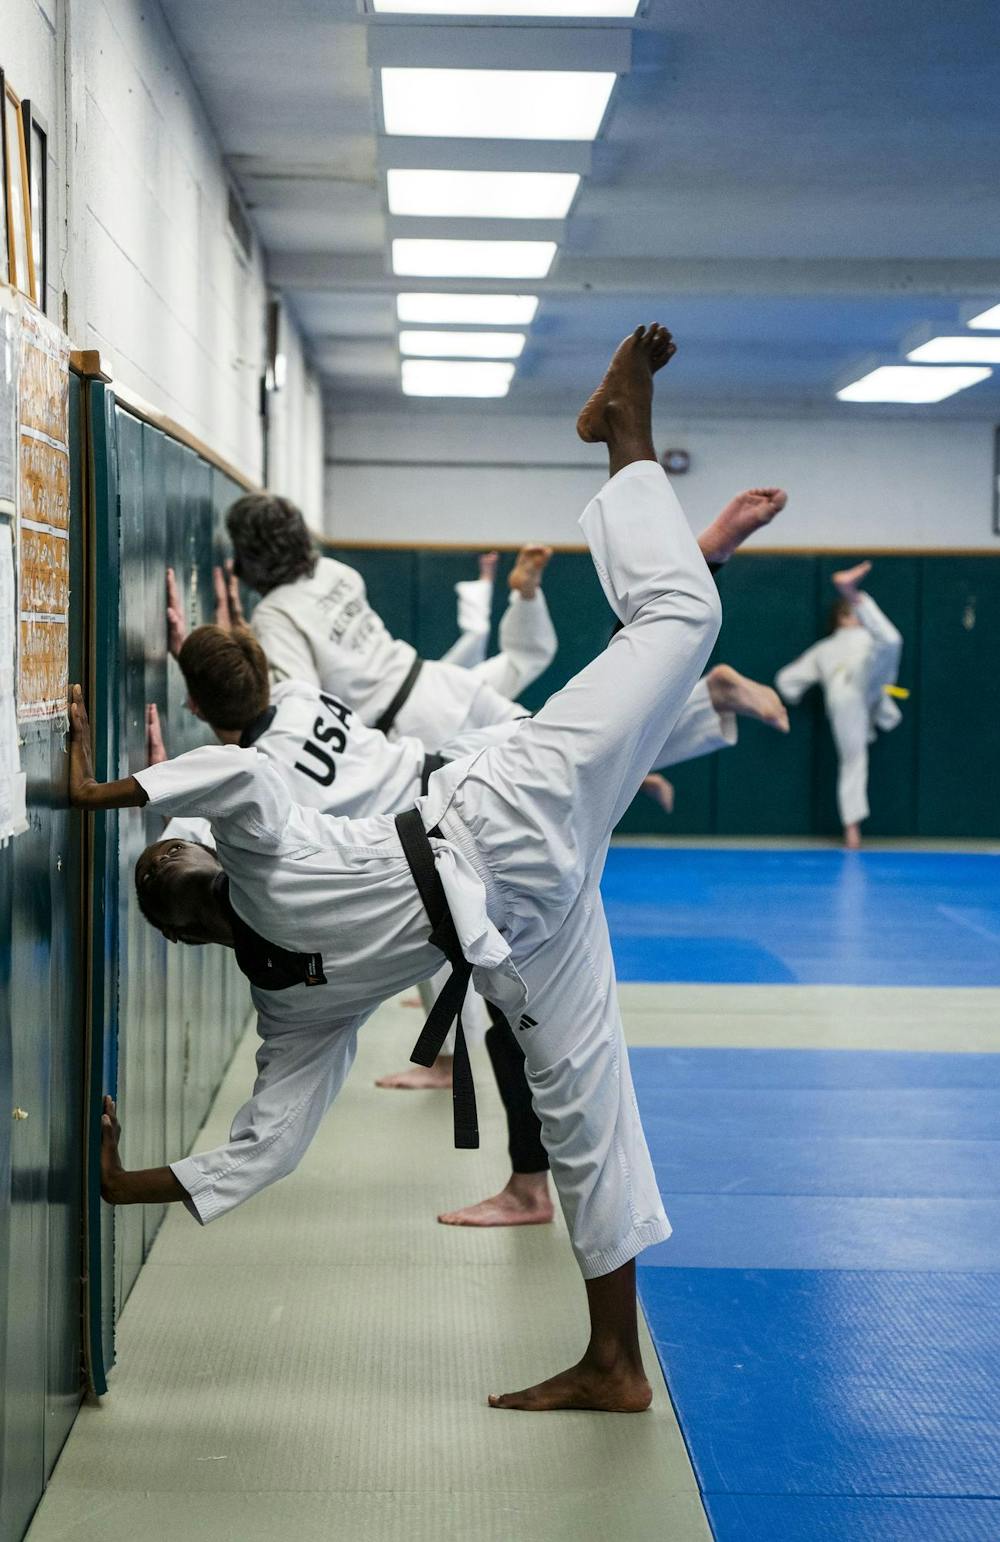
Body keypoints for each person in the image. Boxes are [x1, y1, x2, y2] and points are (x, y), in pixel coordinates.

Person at [70, 323, 726, 1413]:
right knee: (588, 1112)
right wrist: (117, 1182)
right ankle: (615, 1363)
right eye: (170, 865)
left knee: (683, 619)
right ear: (187, 913)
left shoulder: (277, 942)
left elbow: (237, 775)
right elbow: (265, 1145)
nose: (177, 856)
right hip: (515, 909)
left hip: (500, 835)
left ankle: (624, 439)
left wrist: (109, 792)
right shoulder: (280, 955)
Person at [225, 493, 557, 745]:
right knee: (540, 745)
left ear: (248, 557)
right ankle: (527, 595)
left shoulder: (274, 614)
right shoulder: (333, 570)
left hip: (413, 727)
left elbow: (300, 706)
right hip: (443, 682)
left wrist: (242, 657)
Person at [775, 560, 904, 849]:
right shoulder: (860, 638)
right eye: (851, 613)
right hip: (859, 684)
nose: (855, 620)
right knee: (891, 642)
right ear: (842, 619)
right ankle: (853, 594)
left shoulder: (824, 649)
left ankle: (851, 830)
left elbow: (786, 682)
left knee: (853, 758)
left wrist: (795, 690)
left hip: (845, 694)